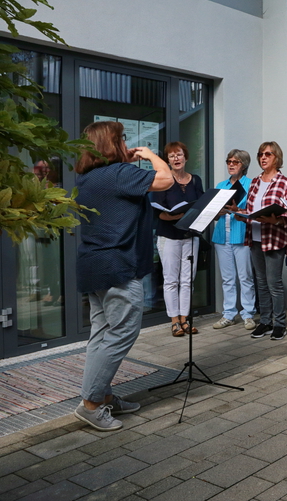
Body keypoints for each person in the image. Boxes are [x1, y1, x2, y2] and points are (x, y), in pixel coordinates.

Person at [73, 120, 173, 431]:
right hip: (118, 267)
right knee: (121, 334)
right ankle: (91, 405)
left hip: (94, 265)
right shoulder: (119, 174)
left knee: (101, 335)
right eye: (123, 139)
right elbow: (166, 179)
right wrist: (150, 155)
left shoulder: (87, 178)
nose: (128, 144)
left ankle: (102, 396)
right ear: (112, 144)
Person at [242, 141, 287, 341]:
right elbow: (251, 210)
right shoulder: (255, 181)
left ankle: (279, 324)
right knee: (261, 283)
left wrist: (275, 220)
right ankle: (265, 321)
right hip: (255, 237)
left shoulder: (284, 183)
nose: (263, 157)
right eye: (260, 154)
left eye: (268, 154)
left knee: (274, 284)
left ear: (277, 158)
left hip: (273, 238)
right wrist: (241, 213)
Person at [151, 141, 204, 338]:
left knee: (187, 280)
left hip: (190, 236)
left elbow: (202, 205)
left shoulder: (195, 180)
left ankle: (185, 319)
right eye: (172, 156)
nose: (176, 158)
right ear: (168, 160)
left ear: (186, 157)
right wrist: (179, 216)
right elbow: (159, 213)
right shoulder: (163, 181)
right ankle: (174, 321)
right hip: (169, 236)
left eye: (179, 154)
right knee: (171, 280)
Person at [211, 149, 257, 331]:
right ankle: (229, 314)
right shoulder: (221, 185)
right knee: (227, 278)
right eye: (229, 161)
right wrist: (218, 211)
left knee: (245, 276)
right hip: (222, 236)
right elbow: (213, 215)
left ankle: (248, 314)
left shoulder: (251, 184)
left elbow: (253, 211)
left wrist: (237, 209)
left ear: (244, 165)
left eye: (235, 162)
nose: (231, 165)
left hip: (241, 234)